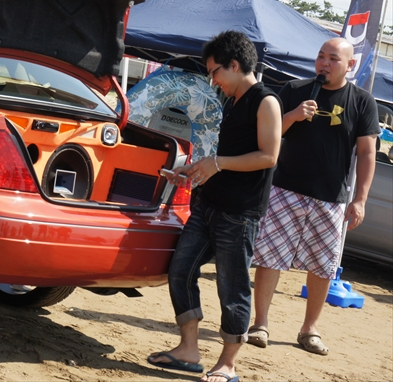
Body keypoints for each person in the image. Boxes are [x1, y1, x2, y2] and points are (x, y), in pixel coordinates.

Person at [148, 31, 283, 382]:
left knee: (232, 288)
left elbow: (269, 156)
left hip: (239, 214)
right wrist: (196, 171)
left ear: (234, 65)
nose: (213, 80)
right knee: (180, 271)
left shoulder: (266, 101)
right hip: (209, 204)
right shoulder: (233, 100)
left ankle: (227, 364)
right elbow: (226, 157)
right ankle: (188, 350)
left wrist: (217, 164)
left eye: (214, 72)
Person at [247, 37, 379, 356]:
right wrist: (292, 115)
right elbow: (266, 134)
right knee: (270, 258)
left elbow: (366, 152)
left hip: (331, 198)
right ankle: (260, 324)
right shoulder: (294, 90)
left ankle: (310, 330)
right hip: (284, 190)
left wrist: (360, 199)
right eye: (321, 56)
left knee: (322, 266)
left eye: (333, 58)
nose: (324, 63)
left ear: (350, 65)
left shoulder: (362, 101)